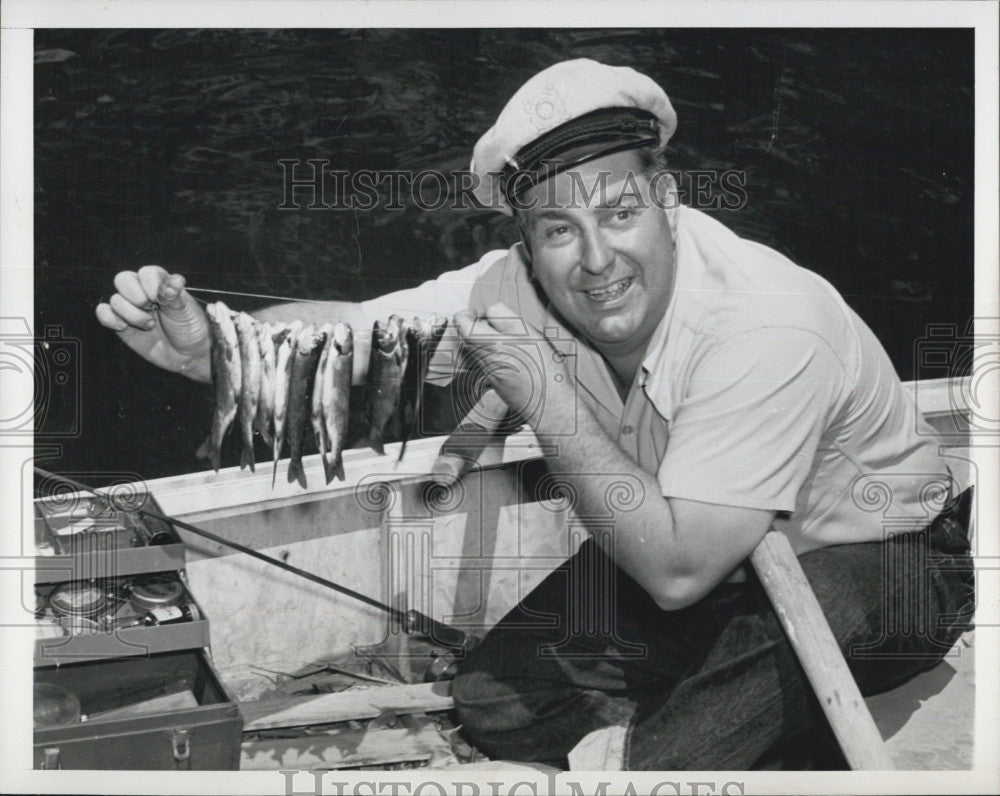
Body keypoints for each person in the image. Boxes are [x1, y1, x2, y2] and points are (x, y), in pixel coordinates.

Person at [96, 59, 974, 769]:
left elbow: (672, 574)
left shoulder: (766, 324)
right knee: (493, 699)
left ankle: (686, 746)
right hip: (711, 555)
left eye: (620, 213)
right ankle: (728, 733)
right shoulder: (514, 289)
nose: (597, 262)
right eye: (558, 230)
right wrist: (213, 348)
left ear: (666, 202)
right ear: (526, 240)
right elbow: (353, 336)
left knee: (701, 736)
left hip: (882, 563)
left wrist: (547, 396)